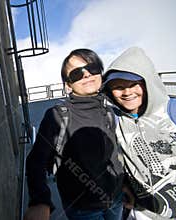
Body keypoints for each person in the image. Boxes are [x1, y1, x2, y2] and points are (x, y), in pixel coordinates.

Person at [24, 48, 125, 220]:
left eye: (92, 68)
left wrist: (124, 187)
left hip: (115, 200)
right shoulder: (57, 115)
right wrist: (40, 201)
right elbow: (36, 161)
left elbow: (115, 155)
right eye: (77, 73)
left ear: (100, 73)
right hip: (83, 209)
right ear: (68, 85)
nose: (86, 75)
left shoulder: (109, 111)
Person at [103, 47, 176, 219]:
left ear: (147, 83)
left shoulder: (175, 110)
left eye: (133, 84)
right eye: (117, 87)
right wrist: (124, 187)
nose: (126, 92)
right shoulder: (114, 120)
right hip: (144, 213)